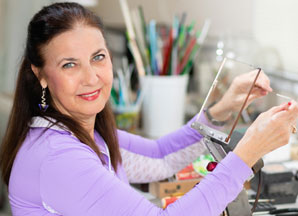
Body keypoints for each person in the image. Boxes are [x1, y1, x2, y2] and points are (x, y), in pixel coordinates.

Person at [0, 2, 297, 216]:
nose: (91, 77)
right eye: (69, 64)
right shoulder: (59, 158)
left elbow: (160, 158)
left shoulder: (81, 132)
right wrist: (246, 154)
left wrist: (223, 108)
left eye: (98, 57)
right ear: (39, 74)